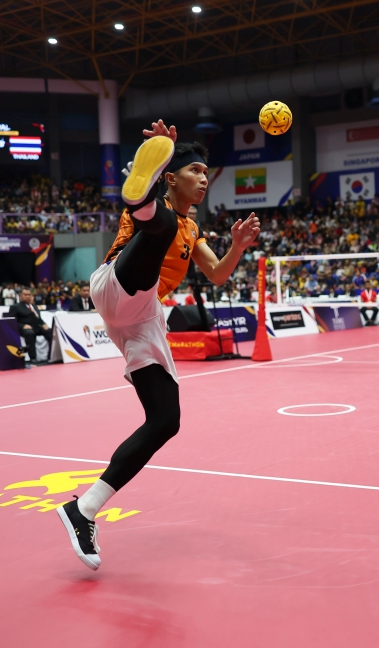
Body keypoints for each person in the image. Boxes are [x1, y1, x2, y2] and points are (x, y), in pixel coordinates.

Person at [57, 122, 259, 571]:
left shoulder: (192, 228)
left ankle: (83, 509)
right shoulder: (167, 213)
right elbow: (158, 227)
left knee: (166, 420)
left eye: (208, 173)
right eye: (195, 170)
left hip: (143, 316)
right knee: (159, 223)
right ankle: (137, 190)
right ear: (170, 177)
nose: (205, 179)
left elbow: (218, 274)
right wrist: (157, 152)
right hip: (115, 282)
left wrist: (239, 247)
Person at [8, 288, 52, 365]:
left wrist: (44, 324)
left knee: (50, 331)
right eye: (25, 295)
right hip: (23, 328)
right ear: (20, 296)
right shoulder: (15, 307)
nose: (28, 296)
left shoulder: (34, 307)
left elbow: (38, 319)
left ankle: (51, 355)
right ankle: (33, 358)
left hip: (36, 326)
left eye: (29, 295)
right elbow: (11, 321)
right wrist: (22, 326)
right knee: (30, 333)